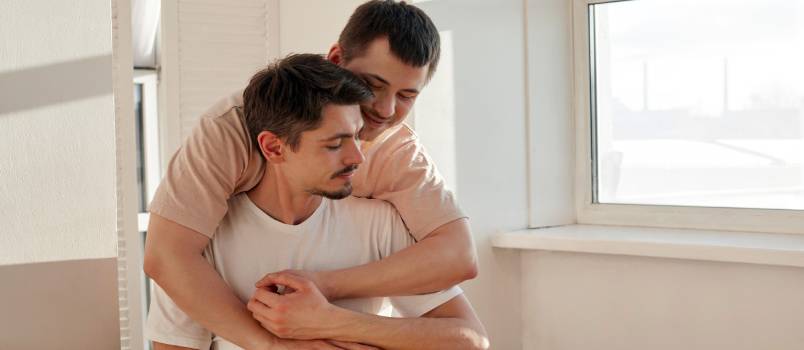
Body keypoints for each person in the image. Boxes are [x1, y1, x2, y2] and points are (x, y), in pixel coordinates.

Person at [143, 1, 478, 349]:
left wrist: (327, 302)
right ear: (272, 147)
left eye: (407, 95)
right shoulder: (231, 131)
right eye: (373, 84)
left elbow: (460, 259)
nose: (386, 110)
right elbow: (168, 256)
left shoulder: (393, 178)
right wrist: (279, 346)